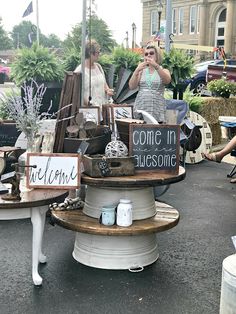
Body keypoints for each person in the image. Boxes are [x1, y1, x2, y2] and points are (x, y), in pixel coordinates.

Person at [129, 43, 171, 123]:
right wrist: (136, 70)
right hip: (142, 105)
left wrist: (156, 65)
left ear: (157, 55)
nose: (148, 55)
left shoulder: (164, 70)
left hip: (157, 107)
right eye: (146, 54)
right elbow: (131, 86)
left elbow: (167, 81)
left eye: (151, 53)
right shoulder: (141, 71)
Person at [74, 39, 114, 109]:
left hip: (102, 108)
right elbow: (77, 93)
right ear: (90, 53)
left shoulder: (99, 67)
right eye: (97, 52)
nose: (99, 54)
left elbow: (104, 85)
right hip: (88, 110)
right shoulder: (80, 70)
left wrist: (108, 90)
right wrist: (91, 106)